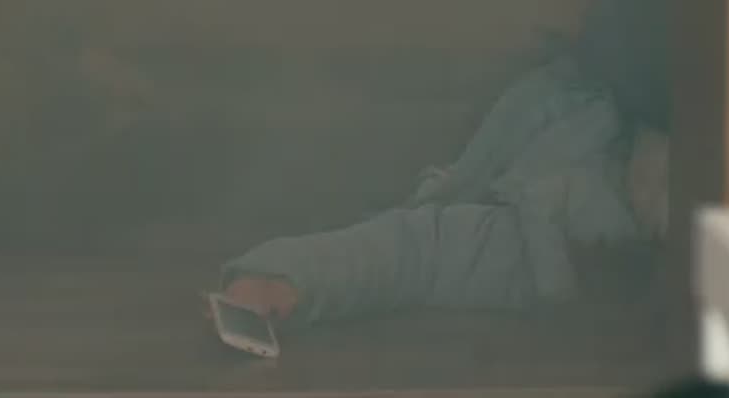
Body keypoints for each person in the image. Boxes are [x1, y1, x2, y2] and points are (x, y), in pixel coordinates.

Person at [215, 53, 670, 329]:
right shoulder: (577, 191)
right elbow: (418, 248)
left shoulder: (570, 217)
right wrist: (285, 278)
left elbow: (418, 250)